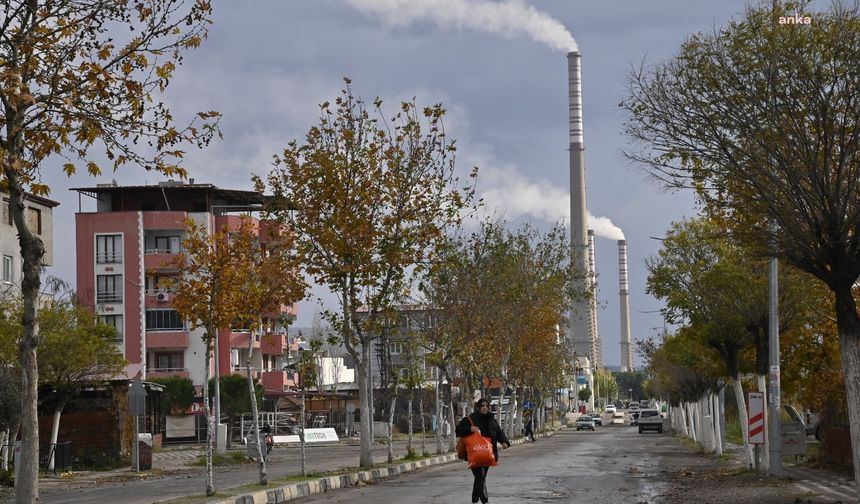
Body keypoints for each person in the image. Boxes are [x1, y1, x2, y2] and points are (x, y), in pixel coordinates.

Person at [456, 398, 511, 504]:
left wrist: (504, 442)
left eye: (486, 406)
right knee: (480, 476)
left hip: (488, 454)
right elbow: (458, 430)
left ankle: (474, 499)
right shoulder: (471, 419)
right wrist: (470, 429)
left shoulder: (491, 420)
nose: (485, 408)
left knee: (481, 477)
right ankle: (485, 500)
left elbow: (498, 432)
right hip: (475, 453)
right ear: (478, 407)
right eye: (482, 406)